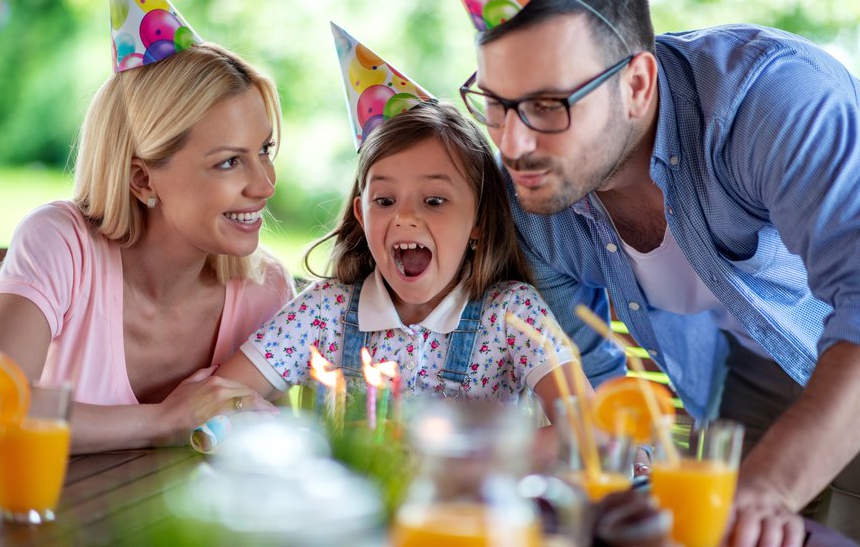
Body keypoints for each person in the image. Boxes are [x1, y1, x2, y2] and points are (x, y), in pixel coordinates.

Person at [455, 0, 860, 545]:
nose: (513, 143)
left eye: (547, 106)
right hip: (757, 367)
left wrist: (769, 487)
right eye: (495, 103)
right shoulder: (530, 197)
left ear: (636, 83)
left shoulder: (766, 100)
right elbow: (596, 395)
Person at [0, 0, 294, 456]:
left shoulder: (266, 292)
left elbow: (275, 459)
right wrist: (165, 419)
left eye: (264, 151)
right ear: (143, 178)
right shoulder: (61, 243)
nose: (265, 185)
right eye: (229, 162)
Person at [215, 98, 585, 450]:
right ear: (362, 215)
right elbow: (218, 396)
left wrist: (461, 457)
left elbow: (587, 429)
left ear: (478, 221)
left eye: (434, 201)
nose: (404, 217)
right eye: (385, 201)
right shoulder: (323, 311)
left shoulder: (513, 315)